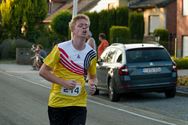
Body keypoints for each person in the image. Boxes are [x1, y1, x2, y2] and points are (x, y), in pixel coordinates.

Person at [39, 14, 97, 125]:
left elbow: (93, 77)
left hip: (79, 104)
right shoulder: (61, 48)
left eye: (86, 26)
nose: (84, 28)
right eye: (80, 26)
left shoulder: (91, 54)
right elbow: (43, 71)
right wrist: (63, 83)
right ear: (73, 30)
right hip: (58, 104)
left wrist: (93, 84)